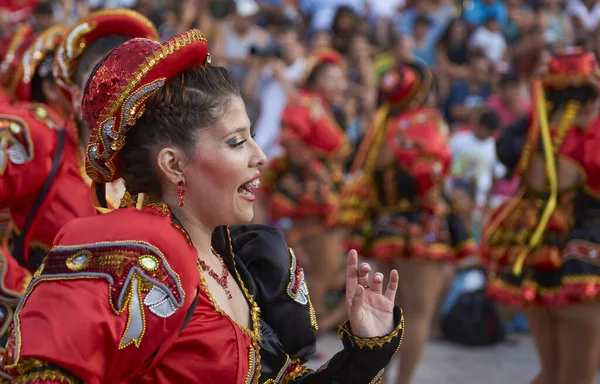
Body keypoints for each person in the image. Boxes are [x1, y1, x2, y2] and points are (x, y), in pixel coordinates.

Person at [1, 29, 404, 383]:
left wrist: (364, 351)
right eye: (236, 141)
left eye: (252, 136)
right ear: (174, 165)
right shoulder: (136, 252)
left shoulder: (242, 258)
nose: (260, 156)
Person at [339, 63, 475, 384]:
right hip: (420, 228)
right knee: (416, 315)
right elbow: (428, 174)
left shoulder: (381, 126)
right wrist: (440, 203)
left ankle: (379, 379)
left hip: (382, 227)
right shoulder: (424, 123)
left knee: (384, 312)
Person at [0, 10, 160, 275]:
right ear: (76, 98)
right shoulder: (39, 143)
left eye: (134, 84)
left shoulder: (166, 174)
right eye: (104, 84)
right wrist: (20, 294)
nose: (122, 100)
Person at [481, 50, 600, 384]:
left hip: (540, 266)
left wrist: (541, 96)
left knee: (550, 375)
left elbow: (506, 147)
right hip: (585, 272)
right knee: (575, 378)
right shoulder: (589, 139)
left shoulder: (536, 137)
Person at [261, 48, 351, 330]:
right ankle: (299, 328)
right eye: (332, 78)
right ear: (314, 80)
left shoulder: (320, 106)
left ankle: (309, 322)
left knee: (328, 266)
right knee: (324, 266)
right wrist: (317, 172)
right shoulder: (306, 102)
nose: (340, 84)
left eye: (341, 78)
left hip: (322, 192)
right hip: (309, 197)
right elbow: (289, 138)